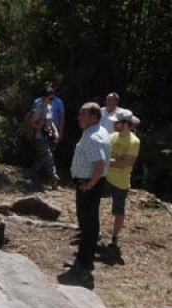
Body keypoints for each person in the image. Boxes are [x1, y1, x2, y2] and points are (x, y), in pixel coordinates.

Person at [58, 102, 111, 287]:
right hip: (92, 184)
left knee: (88, 222)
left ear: (94, 117)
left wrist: (90, 184)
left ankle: (85, 261)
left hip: (89, 185)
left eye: (83, 114)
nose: (79, 117)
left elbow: (100, 163)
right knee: (89, 221)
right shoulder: (100, 130)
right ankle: (83, 257)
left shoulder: (94, 136)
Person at [104, 110, 141, 248]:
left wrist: (108, 161)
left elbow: (126, 163)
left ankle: (114, 238)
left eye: (117, 122)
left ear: (126, 123)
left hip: (121, 182)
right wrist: (115, 161)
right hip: (105, 178)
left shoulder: (134, 141)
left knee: (119, 211)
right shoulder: (111, 136)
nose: (114, 123)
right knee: (91, 200)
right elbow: (108, 157)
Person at [28, 90, 61, 186]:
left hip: (47, 137)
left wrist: (55, 131)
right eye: (50, 98)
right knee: (48, 156)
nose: (52, 100)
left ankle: (31, 175)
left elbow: (51, 122)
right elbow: (32, 123)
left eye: (53, 99)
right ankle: (54, 178)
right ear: (45, 97)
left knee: (42, 157)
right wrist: (42, 128)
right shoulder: (39, 108)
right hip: (39, 136)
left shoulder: (50, 108)